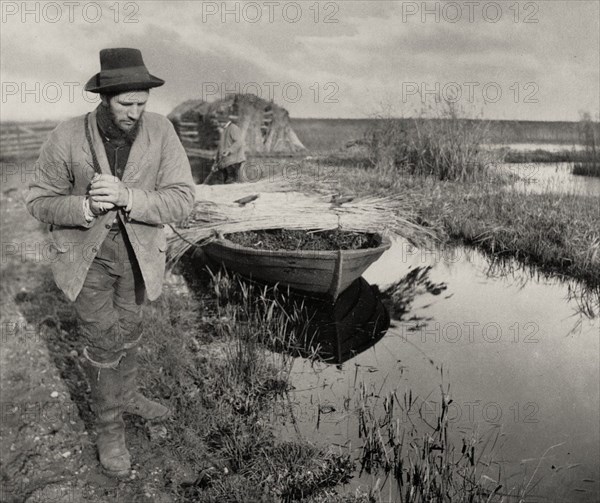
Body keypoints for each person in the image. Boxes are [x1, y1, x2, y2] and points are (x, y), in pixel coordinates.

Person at [26, 48, 195, 478]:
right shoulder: (67, 136)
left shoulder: (162, 131)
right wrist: (83, 206)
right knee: (103, 340)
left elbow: (183, 199)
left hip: (139, 255)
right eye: (125, 104)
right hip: (88, 256)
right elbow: (38, 200)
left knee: (130, 328)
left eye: (142, 103)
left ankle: (129, 394)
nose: (135, 113)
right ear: (104, 98)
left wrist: (130, 198)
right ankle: (109, 429)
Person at [215, 117, 246, 183]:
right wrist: (216, 161)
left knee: (231, 181)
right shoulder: (224, 129)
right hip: (226, 161)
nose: (218, 124)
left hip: (234, 160)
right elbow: (220, 146)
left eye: (219, 122)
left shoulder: (233, 128)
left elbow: (239, 142)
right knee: (226, 181)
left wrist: (229, 150)